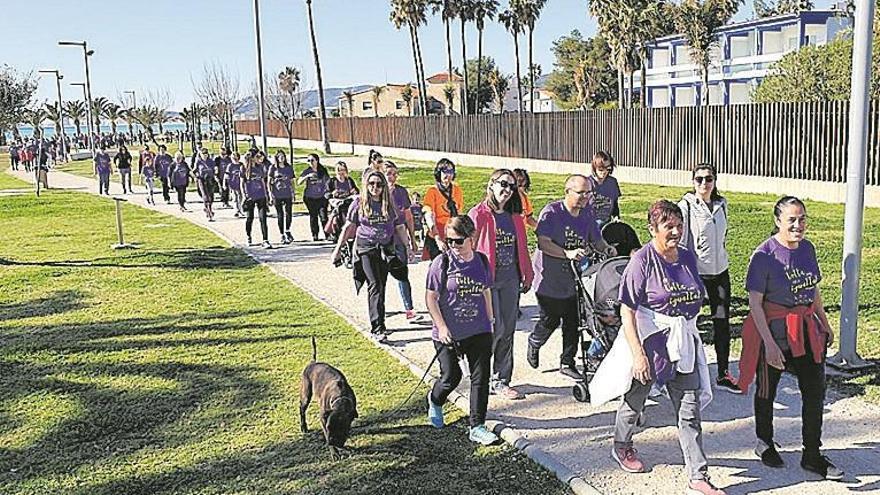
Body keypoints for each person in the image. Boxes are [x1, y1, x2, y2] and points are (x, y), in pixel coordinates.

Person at [589, 200, 724, 495]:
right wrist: (638, 355)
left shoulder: (687, 258)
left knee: (689, 412)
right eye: (668, 226)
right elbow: (628, 310)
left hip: (682, 343)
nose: (675, 231)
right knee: (635, 401)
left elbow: (694, 296)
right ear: (652, 229)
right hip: (653, 343)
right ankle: (621, 445)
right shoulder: (642, 261)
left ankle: (698, 475)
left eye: (679, 225)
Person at [738, 196, 843, 480]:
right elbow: (755, 304)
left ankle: (812, 454)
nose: (798, 225)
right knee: (767, 391)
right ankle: (765, 442)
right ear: (778, 221)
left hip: (807, 330)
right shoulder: (764, 256)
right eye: (792, 220)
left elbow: (813, 290)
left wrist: (825, 322)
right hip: (774, 331)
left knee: (814, 392)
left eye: (802, 219)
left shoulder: (807, 248)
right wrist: (770, 346)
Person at [527, 174, 616, 379]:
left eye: (588, 193)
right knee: (550, 319)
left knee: (573, 321)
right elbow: (543, 242)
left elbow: (596, 240)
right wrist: (566, 253)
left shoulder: (587, 214)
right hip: (548, 278)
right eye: (581, 193)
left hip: (574, 277)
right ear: (567, 192)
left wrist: (607, 248)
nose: (586, 197)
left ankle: (567, 362)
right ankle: (535, 340)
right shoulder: (552, 212)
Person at [424, 215, 499, 446]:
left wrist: (490, 318)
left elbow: (485, 290)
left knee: (480, 378)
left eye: (458, 241)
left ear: (471, 238)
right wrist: (442, 326)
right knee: (452, 377)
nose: (453, 246)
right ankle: (435, 399)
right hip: (448, 333)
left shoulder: (482, 262)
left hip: (479, 329)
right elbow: (431, 298)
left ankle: (477, 425)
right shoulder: (441, 263)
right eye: (449, 241)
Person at [469, 169, 534, 400]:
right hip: (487, 282)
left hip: (510, 280)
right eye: (503, 184)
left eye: (512, 186)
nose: (507, 190)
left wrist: (527, 272)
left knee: (507, 330)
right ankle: (481, 376)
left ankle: (501, 379)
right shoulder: (479, 214)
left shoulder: (515, 216)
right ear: (492, 184)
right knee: (491, 330)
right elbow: (468, 249)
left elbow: (523, 248)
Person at [331, 170, 410, 341]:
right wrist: (337, 250)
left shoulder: (390, 205)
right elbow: (348, 228)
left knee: (381, 285)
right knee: (374, 284)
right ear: (366, 185)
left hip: (386, 248)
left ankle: (380, 322)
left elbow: (400, 227)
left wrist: (408, 247)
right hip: (366, 248)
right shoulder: (359, 203)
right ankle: (377, 328)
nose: (375, 187)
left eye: (379, 184)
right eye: (372, 184)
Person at [678, 163, 737, 392]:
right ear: (693, 181)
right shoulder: (686, 206)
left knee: (722, 322)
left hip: (720, 271)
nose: (704, 183)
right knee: (687, 324)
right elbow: (681, 244)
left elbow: (723, 236)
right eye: (699, 179)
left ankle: (723, 374)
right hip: (696, 274)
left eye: (709, 179)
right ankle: (685, 373)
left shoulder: (722, 204)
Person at [385, 161, 421, 321]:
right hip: (383, 239)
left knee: (402, 273)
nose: (392, 177)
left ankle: (409, 308)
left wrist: (412, 239)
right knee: (380, 275)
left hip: (399, 238)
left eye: (394, 173)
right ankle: (380, 307)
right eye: (389, 173)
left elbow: (408, 216)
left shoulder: (401, 192)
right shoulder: (378, 192)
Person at [423, 158, 464, 260]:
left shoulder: (457, 190)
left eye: (451, 172)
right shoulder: (432, 191)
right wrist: (437, 238)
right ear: (439, 173)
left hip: (452, 235)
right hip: (436, 236)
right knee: (439, 268)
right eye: (445, 171)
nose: (448, 175)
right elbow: (429, 215)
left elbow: (459, 214)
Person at [241, 151, 272, 249]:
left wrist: (267, 195)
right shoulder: (244, 168)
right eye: (257, 156)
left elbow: (263, 181)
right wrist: (244, 196)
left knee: (263, 218)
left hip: (260, 195)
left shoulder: (260, 167)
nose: (259, 158)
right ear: (253, 158)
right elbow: (242, 183)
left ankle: (265, 240)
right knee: (250, 217)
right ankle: (248, 236)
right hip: (250, 196)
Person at [298, 153, 330, 242]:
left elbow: (327, 182)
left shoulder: (322, 170)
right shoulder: (307, 171)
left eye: (312, 160)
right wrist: (307, 176)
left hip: (321, 197)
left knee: (323, 216)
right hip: (310, 197)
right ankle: (315, 235)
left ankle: (327, 234)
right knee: (313, 216)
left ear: (317, 160)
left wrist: (327, 193)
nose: (310, 162)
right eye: (308, 161)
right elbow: (299, 182)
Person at [588, 151, 622, 227]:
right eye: (601, 169)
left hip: (606, 222)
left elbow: (615, 203)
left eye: (608, 168)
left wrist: (616, 216)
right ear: (594, 167)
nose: (604, 172)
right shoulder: (587, 183)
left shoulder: (612, 182)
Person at [269, 150, 295, 244]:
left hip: (287, 193)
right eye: (279, 156)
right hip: (277, 194)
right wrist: (270, 194)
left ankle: (287, 230)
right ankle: (282, 234)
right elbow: (269, 182)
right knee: (280, 214)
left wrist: (293, 193)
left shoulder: (289, 168)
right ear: (276, 158)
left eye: (283, 156)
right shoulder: (273, 168)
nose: (282, 158)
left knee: (289, 213)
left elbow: (292, 181)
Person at [194, 147, 217, 221]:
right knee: (205, 196)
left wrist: (216, 172)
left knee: (211, 196)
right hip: (202, 180)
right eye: (203, 154)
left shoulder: (211, 161)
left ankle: (208, 208)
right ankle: (209, 212)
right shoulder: (198, 162)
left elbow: (214, 169)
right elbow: (194, 170)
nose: (205, 155)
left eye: (206, 154)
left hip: (210, 180)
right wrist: (196, 176)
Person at [226, 152, 244, 217]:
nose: (234, 158)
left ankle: (240, 209)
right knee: (235, 198)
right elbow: (227, 175)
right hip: (233, 184)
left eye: (235, 157)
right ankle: (236, 210)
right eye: (233, 157)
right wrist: (225, 184)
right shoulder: (230, 166)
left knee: (240, 197)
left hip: (240, 184)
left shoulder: (241, 165)